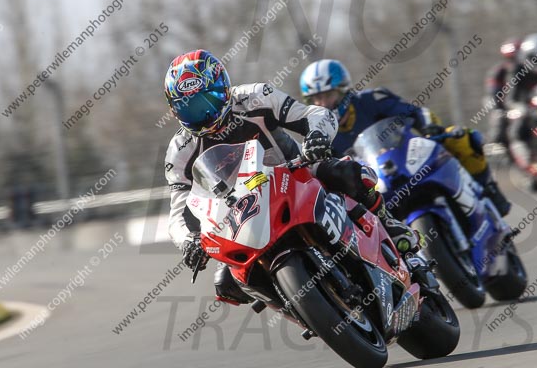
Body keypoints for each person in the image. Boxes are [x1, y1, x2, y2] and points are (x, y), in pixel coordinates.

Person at [163, 50, 421, 305]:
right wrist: (189, 241)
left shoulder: (255, 97)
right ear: (175, 112)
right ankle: (298, 308)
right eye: (190, 109)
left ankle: (388, 223)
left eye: (206, 101)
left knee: (346, 172)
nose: (203, 115)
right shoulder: (179, 151)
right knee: (228, 282)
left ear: (224, 88)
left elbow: (314, 114)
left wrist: (317, 136)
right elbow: (178, 209)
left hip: (294, 172)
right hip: (240, 213)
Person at [298, 59, 511, 216]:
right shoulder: (319, 135)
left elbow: (416, 113)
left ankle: (489, 189)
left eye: (328, 95)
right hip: (373, 189)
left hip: (407, 160)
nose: (323, 104)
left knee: (461, 137)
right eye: (316, 99)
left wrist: (430, 127)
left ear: (343, 90)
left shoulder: (371, 99)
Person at [486, 38, 522, 148]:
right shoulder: (499, 71)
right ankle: (501, 147)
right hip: (508, 105)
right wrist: (501, 107)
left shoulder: (533, 67)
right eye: (511, 58)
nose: (514, 61)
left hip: (529, 103)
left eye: (516, 56)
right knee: (499, 122)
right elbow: (493, 91)